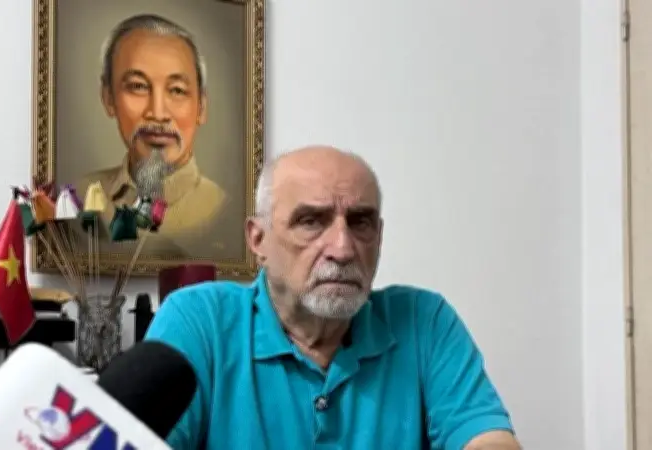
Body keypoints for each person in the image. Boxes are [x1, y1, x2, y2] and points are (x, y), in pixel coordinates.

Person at [144, 146, 521, 449]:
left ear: (379, 237)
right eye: (311, 221)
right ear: (258, 240)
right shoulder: (199, 322)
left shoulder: (424, 321)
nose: (342, 249)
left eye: (360, 222)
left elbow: (489, 439)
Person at [76, 14, 227, 257]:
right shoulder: (80, 196)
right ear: (108, 97)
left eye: (177, 90)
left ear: (201, 107)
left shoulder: (222, 211)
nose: (158, 114)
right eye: (138, 86)